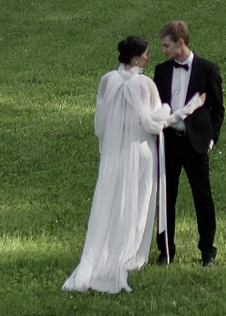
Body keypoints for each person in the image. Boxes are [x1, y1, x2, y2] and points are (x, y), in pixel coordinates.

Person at [62, 35, 202, 294]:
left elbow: (100, 124)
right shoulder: (145, 85)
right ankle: (131, 252)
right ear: (136, 58)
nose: (151, 57)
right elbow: (152, 123)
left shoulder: (107, 80)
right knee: (138, 201)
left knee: (112, 200)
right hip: (140, 151)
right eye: (147, 53)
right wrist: (175, 109)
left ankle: (108, 247)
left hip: (114, 154)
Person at [152, 20, 225, 267]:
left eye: (166, 46)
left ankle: (208, 252)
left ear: (180, 43)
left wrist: (211, 138)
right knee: (166, 197)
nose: (163, 51)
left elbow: (217, 108)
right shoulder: (161, 71)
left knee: (202, 197)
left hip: (195, 144)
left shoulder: (207, 69)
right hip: (169, 142)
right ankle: (165, 252)